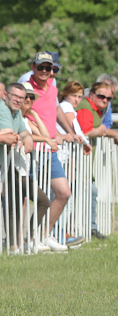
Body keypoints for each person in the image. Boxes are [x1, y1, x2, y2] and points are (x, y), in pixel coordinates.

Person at [23, 52, 82, 251]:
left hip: (50, 151)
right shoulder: (27, 87)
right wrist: (43, 136)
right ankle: (28, 240)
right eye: (41, 67)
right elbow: (25, 115)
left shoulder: (53, 87)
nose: (45, 71)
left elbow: (54, 112)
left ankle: (44, 235)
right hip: (34, 149)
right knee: (38, 197)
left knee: (64, 193)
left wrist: (66, 132)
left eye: (48, 68)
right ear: (33, 67)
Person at [0, 83, 52, 253]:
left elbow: (22, 133)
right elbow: (8, 134)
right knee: (25, 204)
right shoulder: (3, 109)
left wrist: (28, 137)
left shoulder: (16, 114)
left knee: (15, 206)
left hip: (12, 165)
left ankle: (17, 244)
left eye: (23, 98)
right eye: (16, 96)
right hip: (10, 166)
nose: (20, 100)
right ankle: (21, 242)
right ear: (6, 95)